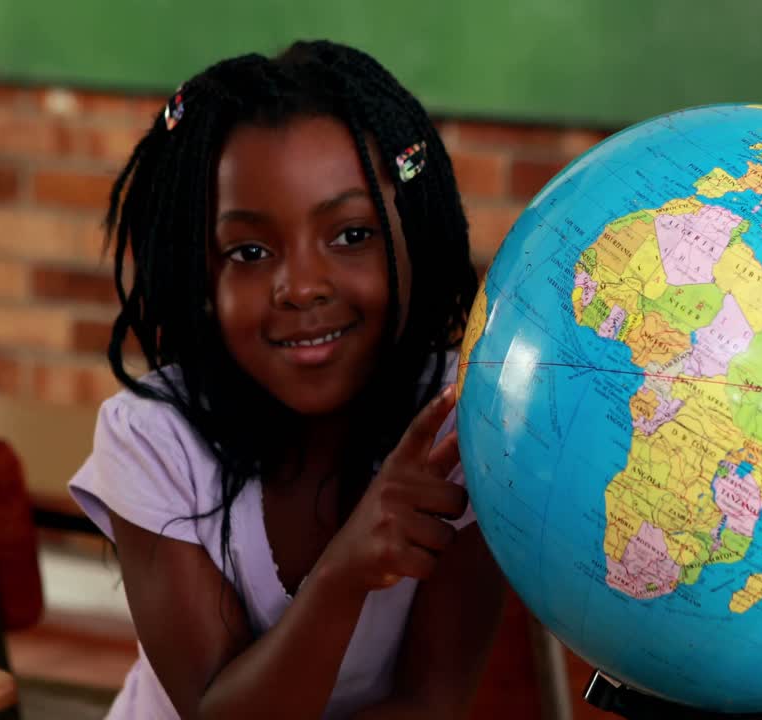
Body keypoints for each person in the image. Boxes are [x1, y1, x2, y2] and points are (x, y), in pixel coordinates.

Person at [68, 40, 506, 719]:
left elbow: (430, 700)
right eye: (248, 251)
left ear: (415, 234)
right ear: (198, 274)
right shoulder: (153, 440)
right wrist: (345, 570)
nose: (300, 287)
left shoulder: (465, 425)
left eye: (352, 235)